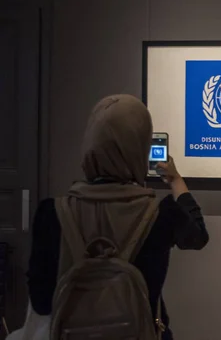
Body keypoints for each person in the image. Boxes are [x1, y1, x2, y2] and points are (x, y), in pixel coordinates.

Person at [26, 94, 209, 340]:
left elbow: (41, 303)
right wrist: (176, 180)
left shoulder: (51, 212)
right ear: (140, 149)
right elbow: (198, 236)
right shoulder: (162, 214)